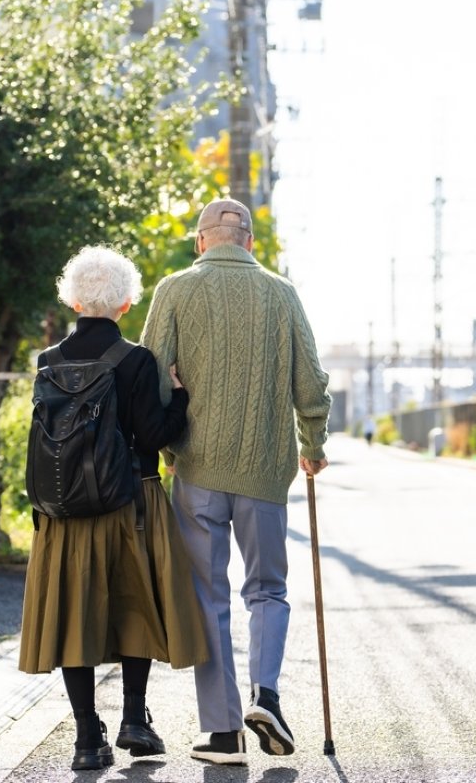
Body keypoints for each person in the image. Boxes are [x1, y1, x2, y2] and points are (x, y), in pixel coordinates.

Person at [141, 198, 331, 766]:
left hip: (195, 468)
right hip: (265, 471)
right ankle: (266, 694)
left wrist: (169, 438)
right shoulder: (282, 293)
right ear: (249, 242)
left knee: (207, 594)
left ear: (202, 242)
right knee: (267, 588)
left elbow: (150, 372)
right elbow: (310, 381)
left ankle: (223, 733)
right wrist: (312, 445)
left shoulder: (173, 289)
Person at [18, 246, 209, 771]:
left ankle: (86, 739)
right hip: (132, 502)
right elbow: (154, 434)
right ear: (126, 303)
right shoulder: (136, 360)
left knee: (74, 615)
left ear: (73, 299)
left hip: (64, 513)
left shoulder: (48, 361)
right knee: (135, 606)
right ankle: (133, 719)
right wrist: (183, 399)